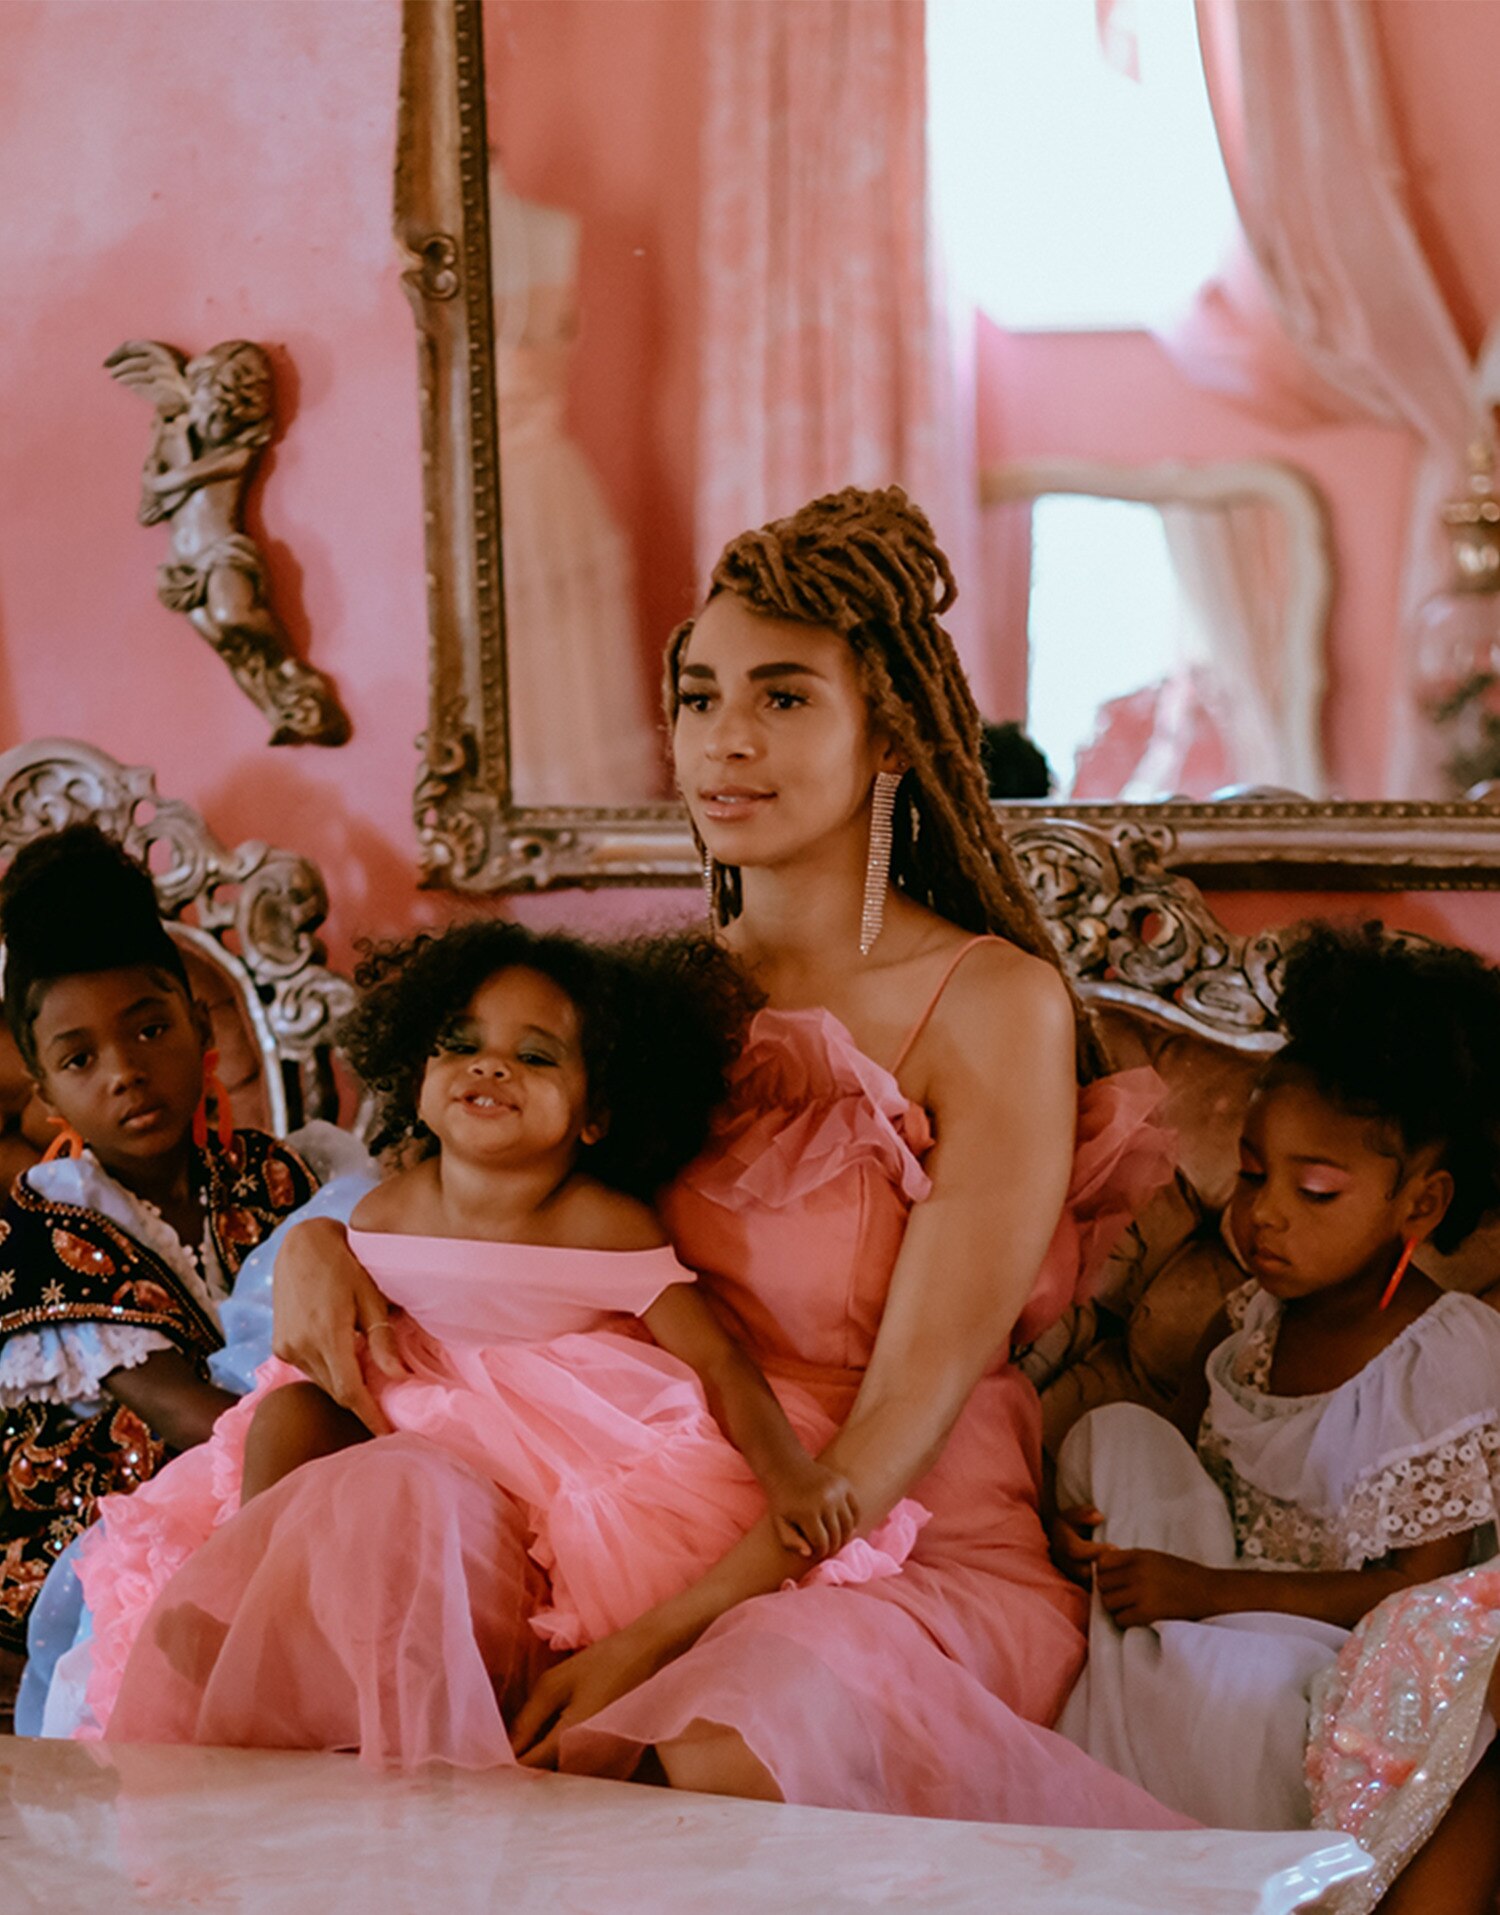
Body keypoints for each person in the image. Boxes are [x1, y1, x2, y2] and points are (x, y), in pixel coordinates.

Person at [239, 485, 1185, 1824]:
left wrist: (644, 1642)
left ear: (893, 729)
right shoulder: (646, 994)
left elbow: (899, 1423)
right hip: (606, 1496)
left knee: (713, 1742)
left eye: (784, 696)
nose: (724, 740)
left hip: (882, 1541)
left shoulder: (991, 1005)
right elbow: (470, 1205)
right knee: (354, 1545)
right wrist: (320, 1241)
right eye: (698, 696)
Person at [77, 922, 931, 1760]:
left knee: (441, 1521)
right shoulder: (386, 1209)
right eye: (460, 1043)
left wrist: (789, 1472)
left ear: (595, 1112)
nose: (489, 1066)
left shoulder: (603, 1224)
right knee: (290, 1414)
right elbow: (352, 1343)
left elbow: (716, 1359)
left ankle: (440, 1705)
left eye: (535, 1056)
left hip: (537, 1465)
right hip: (407, 1422)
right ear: (418, 1077)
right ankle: (245, 1597)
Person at [1052, 922, 1500, 1913]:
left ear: (1419, 1203)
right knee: (1118, 1437)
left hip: (1342, 1651)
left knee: (1242, 1686)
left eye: (1315, 1189)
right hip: (1211, 1599)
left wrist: (1200, 1589)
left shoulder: (1444, 1354)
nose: (1265, 1215)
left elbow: (1415, 1599)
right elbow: (1186, 1470)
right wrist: (1100, 1526)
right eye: (1253, 1174)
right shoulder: (1254, 1319)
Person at [0, 825, 319, 1658]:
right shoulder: (42, 1234)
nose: (125, 1071)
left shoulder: (279, 1176)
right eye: (80, 1058)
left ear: (198, 1020)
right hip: (97, 1537)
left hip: (267, 1482)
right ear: (46, 1091)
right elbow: (191, 1415)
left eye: (148, 1030)